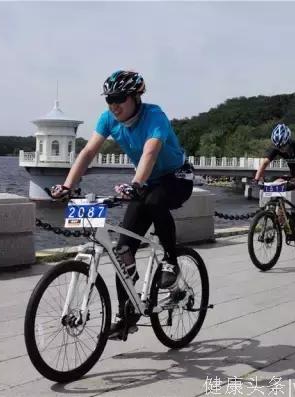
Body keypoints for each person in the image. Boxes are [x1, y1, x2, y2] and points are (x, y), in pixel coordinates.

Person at [49, 70, 194, 340]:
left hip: (176, 177)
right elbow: (88, 152)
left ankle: (171, 262)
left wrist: (136, 184)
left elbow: (151, 151)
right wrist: (67, 185)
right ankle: (127, 316)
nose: (113, 105)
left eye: (119, 98)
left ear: (136, 97)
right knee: (122, 252)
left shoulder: (154, 116)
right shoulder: (108, 119)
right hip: (147, 181)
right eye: (109, 100)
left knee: (154, 200)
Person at [253, 123, 295, 255]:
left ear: (288, 141)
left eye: (283, 146)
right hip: (294, 176)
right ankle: (279, 220)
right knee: (276, 183)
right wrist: (256, 178)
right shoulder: (276, 147)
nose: (281, 149)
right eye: (278, 147)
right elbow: (265, 162)